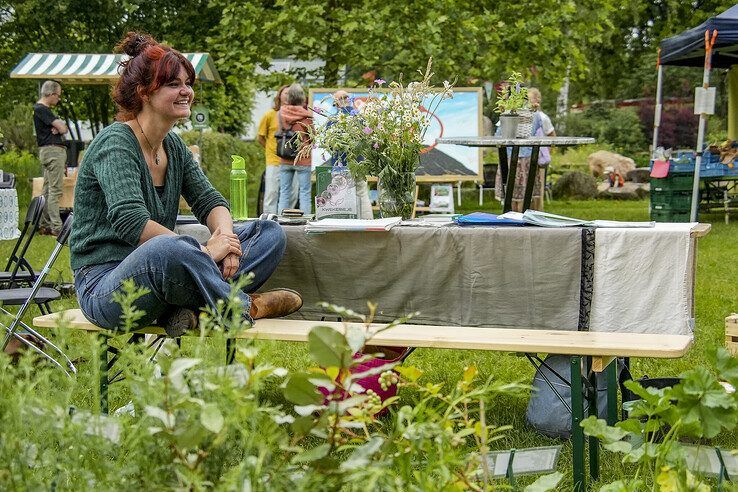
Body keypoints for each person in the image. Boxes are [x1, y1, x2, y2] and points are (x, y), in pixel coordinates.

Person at [69, 32, 302, 335]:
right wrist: (204, 252)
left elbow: (210, 201)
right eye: (173, 84)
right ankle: (246, 307)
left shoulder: (173, 146)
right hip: (106, 286)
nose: (186, 92)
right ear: (144, 92)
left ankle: (192, 309)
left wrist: (227, 240)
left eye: (188, 84)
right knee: (168, 248)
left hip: (167, 275)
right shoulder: (115, 143)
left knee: (268, 232)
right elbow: (131, 222)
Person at [34, 80, 68, 236]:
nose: (58, 99)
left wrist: (59, 127)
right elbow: (62, 128)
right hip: (53, 152)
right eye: (57, 95)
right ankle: (57, 226)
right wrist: (59, 127)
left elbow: (61, 128)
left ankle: (44, 224)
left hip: (46, 152)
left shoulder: (40, 110)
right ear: (50, 93)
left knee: (47, 189)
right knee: (55, 190)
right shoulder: (43, 109)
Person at [257, 85, 298, 214]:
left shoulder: (297, 114)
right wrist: (271, 150)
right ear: (279, 96)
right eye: (285, 93)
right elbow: (260, 137)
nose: (287, 96)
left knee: (292, 194)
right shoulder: (270, 114)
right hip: (274, 160)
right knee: (271, 194)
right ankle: (269, 222)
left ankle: (286, 221)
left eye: (290, 93)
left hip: (293, 160)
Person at [277, 83, 313, 214]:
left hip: (285, 157)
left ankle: (281, 221)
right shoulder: (307, 116)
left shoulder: (281, 113)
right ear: (302, 98)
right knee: (304, 192)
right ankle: (305, 221)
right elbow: (313, 136)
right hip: (303, 158)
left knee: (284, 192)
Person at [528, 88, 556, 210]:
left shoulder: (543, 118)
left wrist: (546, 152)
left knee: (538, 188)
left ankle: (538, 212)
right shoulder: (525, 115)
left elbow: (552, 136)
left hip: (539, 158)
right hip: (526, 156)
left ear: (537, 100)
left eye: (529, 99)